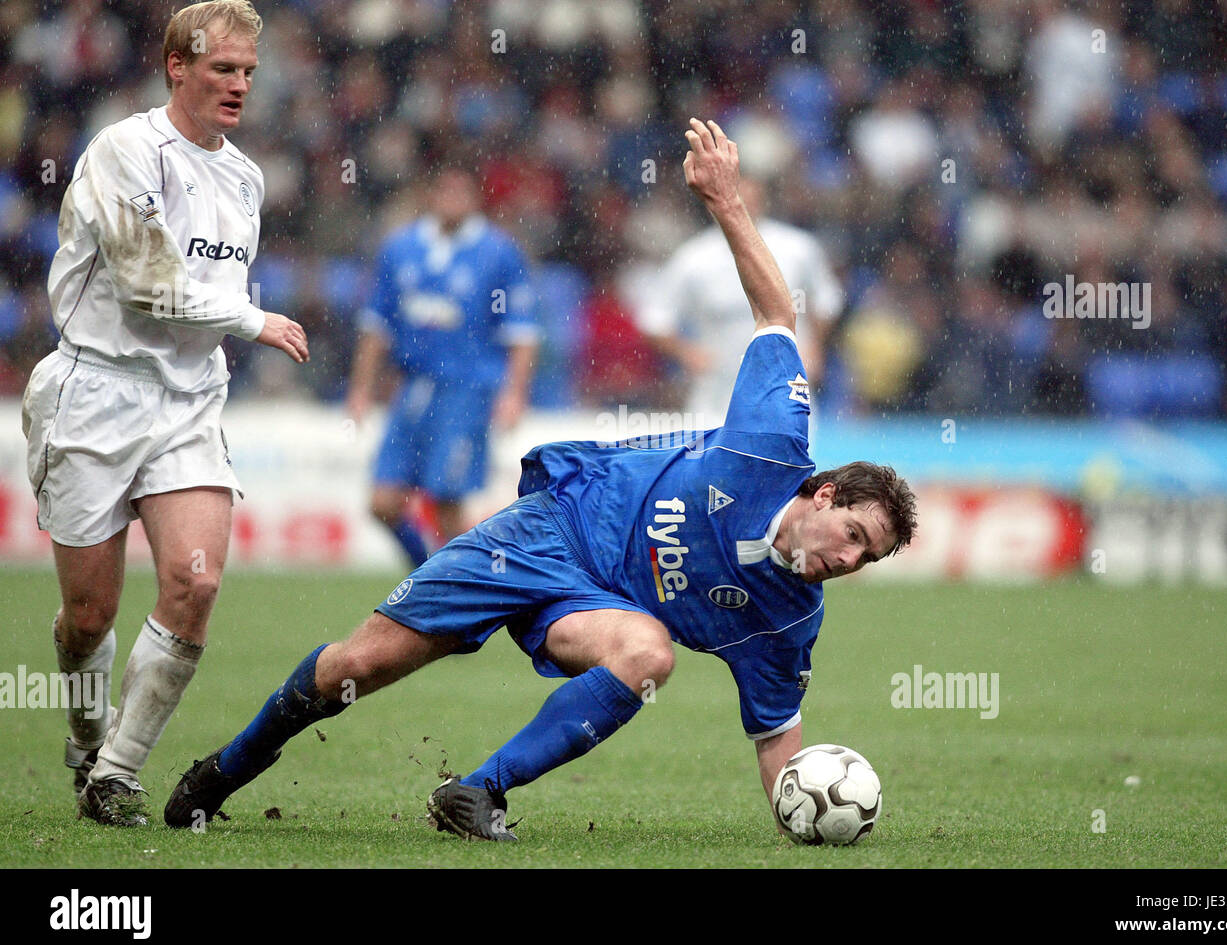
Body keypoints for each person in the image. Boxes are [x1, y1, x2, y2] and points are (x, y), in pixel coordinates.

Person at [165, 119, 916, 839]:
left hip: (597, 607)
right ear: (823, 494)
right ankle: (227, 767)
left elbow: (776, 740)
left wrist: (803, 814)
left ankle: (476, 790)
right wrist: (725, 200)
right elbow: (778, 315)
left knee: (648, 654)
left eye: (867, 557)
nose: (849, 560)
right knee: (359, 665)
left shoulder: (788, 620)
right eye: (854, 533)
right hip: (552, 528)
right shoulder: (774, 444)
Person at [20, 0, 307, 826]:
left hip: (185, 399)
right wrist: (256, 319)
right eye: (223, 69)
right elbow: (148, 282)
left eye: (249, 72)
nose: (239, 86)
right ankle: (85, 737)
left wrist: (233, 325)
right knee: (89, 616)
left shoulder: (246, 177)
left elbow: (205, 292)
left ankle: (117, 770)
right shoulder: (124, 151)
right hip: (94, 391)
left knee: (195, 580)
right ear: (177, 65)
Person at [345, 167, 539, 566]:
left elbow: (521, 332)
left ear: (475, 197)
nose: (451, 199)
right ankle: (425, 573)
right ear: (430, 194)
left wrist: (514, 394)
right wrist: (360, 389)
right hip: (412, 388)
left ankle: (480, 587)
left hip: (466, 390)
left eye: (460, 191)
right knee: (382, 502)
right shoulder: (400, 248)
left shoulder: (498, 252)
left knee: (447, 504)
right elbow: (376, 326)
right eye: (444, 190)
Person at [638, 174, 844, 426]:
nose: (742, 209)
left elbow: (827, 301)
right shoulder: (693, 259)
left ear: (763, 201)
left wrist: (815, 348)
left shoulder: (798, 249)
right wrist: (686, 352)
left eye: (749, 201)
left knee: (792, 460)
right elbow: (654, 317)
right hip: (719, 391)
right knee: (716, 463)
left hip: (786, 384)